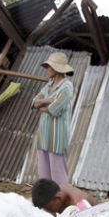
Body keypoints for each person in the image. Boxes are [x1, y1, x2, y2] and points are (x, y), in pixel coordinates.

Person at [32, 52, 75, 184]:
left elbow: (54, 109)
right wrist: (49, 100)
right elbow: (34, 102)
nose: (47, 69)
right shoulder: (49, 84)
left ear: (57, 69)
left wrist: (44, 103)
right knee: (44, 175)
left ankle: (61, 202)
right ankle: (47, 202)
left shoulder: (67, 86)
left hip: (57, 138)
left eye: (49, 67)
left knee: (58, 176)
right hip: (44, 136)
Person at [31, 178, 96, 215]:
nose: (48, 211)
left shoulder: (80, 205)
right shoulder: (58, 189)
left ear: (57, 198)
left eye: (49, 208)